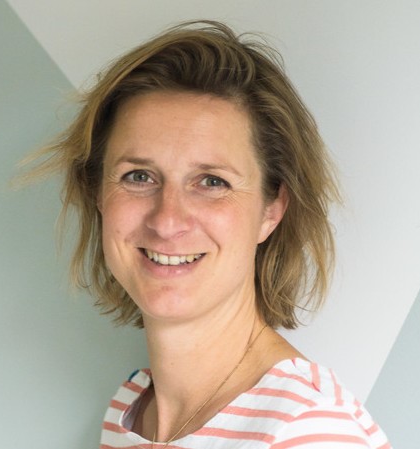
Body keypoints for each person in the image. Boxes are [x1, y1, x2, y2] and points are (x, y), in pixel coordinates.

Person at [31, 20, 391, 449]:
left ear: (271, 209)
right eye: (139, 176)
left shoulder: (305, 432)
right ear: (98, 194)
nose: (167, 220)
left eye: (212, 182)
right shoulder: (131, 409)